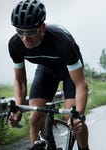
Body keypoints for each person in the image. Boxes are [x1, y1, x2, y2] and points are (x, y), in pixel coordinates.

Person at [7, 0, 89, 149]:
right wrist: (18, 107)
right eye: (20, 32)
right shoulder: (15, 45)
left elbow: (81, 84)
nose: (25, 38)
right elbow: (20, 81)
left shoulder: (62, 43)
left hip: (68, 71)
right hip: (46, 69)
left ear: (42, 28)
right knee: (35, 117)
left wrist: (78, 116)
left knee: (72, 118)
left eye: (31, 32)